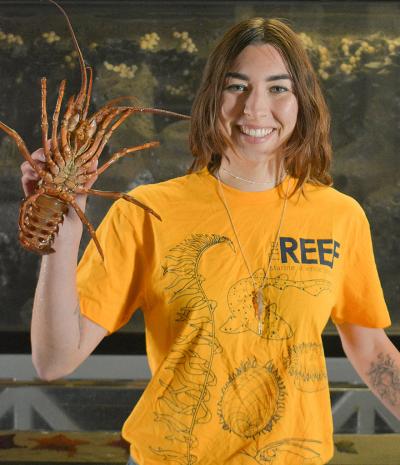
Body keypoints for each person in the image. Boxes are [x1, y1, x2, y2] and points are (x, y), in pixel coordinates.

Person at [21, 17, 399, 465]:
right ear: (211, 99)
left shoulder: (340, 216)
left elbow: (373, 351)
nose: (255, 109)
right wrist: (62, 239)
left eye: (278, 88)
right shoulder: (145, 211)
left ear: (304, 102)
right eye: (237, 87)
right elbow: (54, 361)